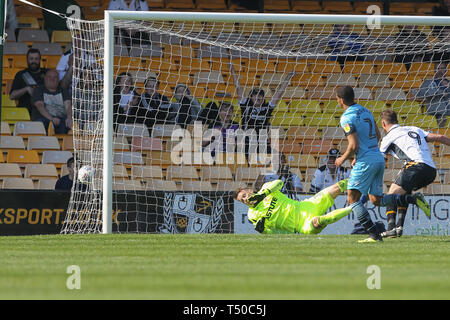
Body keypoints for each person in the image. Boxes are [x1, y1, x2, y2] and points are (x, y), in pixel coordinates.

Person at [335, 86, 430, 242]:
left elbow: (353, 145)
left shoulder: (346, 118)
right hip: (378, 159)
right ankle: (413, 200)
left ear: (341, 100)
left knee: (352, 198)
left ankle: (374, 235)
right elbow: (379, 135)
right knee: (376, 200)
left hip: (365, 161)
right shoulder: (365, 111)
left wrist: (342, 158)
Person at [378, 109, 450, 238]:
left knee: (391, 195)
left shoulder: (388, 138)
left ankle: (391, 228)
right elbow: (440, 137)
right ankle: (399, 227)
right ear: (397, 120)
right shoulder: (414, 128)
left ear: (383, 124)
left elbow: (379, 159)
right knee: (404, 192)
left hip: (415, 167)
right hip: (431, 171)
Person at [235, 178, 350, 235]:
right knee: (320, 221)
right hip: (301, 225)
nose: (245, 199)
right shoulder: (252, 215)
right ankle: (354, 207)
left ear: (249, 190)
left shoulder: (266, 188)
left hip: (306, 205)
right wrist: (264, 231)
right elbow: (276, 232)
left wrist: (263, 194)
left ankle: (362, 179)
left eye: (244, 195)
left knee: (337, 187)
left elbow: (279, 183)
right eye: (242, 200)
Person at [229, 65, 295, 131]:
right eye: (255, 94)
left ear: (263, 98)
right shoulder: (246, 105)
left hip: (262, 138)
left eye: (261, 94)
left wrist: (288, 77)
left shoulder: (267, 107)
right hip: (248, 138)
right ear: (251, 97)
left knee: (275, 132)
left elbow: (279, 92)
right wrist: (232, 70)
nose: (258, 96)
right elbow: (238, 88)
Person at [9, 48, 48, 120]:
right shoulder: (21, 74)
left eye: (36, 59)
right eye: (31, 59)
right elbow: (12, 96)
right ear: (27, 60)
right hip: (24, 112)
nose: (34, 61)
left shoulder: (47, 73)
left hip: (44, 111)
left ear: (40, 60)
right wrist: (26, 89)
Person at [409, 61, 450, 128]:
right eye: (438, 68)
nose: (440, 71)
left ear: (446, 70)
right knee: (441, 119)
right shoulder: (428, 83)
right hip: (436, 112)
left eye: (442, 68)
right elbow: (421, 94)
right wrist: (440, 93)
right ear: (434, 70)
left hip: (448, 110)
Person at [32, 70, 73, 134]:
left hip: (61, 119)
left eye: (55, 77)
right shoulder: (39, 90)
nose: (52, 79)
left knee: (67, 124)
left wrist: (69, 118)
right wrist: (52, 118)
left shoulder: (63, 91)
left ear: (58, 79)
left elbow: (68, 106)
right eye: (49, 77)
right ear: (45, 78)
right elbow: (40, 106)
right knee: (41, 123)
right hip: (44, 118)